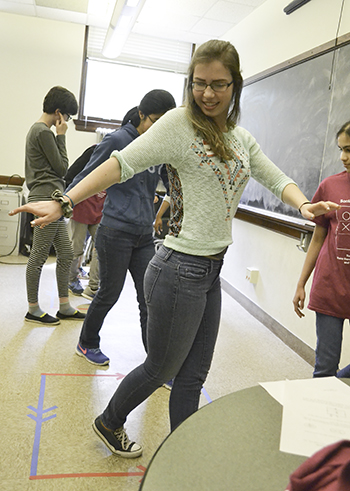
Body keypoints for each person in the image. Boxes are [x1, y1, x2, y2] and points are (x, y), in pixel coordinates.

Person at [10, 40, 339, 457]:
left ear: (235, 85)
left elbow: (275, 177)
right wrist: (65, 202)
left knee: (194, 372)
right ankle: (110, 421)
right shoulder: (178, 125)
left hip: (210, 269)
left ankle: (183, 448)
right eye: (199, 83)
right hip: (178, 267)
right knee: (161, 366)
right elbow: (120, 163)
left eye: (219, 84)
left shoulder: (240, 138)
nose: (208, 93)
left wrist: (304, 204)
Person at [66, 90, 176, 365]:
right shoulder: (117, 140)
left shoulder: (157, 145)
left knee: (149, 298)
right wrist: (62, 203)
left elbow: (172, 180)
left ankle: (155, 362)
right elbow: (85, 174)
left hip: (143, 235)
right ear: (141, 115)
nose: (160, 128)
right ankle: (87, 343)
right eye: (155, 120)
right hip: (114, 232)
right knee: (108, 293)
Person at [293, 121, 350, 378]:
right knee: (325, 368)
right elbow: (318, 237)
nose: (343, 157)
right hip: (330, 286)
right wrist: (301, 283)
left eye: (349, 150)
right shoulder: (330, 186)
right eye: (341, 149)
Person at [24, 86, 85, 325]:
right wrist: (62, 135)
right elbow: (62, 169)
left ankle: (64, 306)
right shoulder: (44, 132)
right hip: (45, 199)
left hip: (52, 198)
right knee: (39, 256)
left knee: (67, 253)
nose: (67, 121)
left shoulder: (38, 130)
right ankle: (32, 308)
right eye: (68, 116)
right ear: (59, 113)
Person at [65, 145, 106, 299]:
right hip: (82, 207)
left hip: (101, 208)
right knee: (76, 247)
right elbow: (70, 175)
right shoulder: (94, 151)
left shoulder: (119, 156)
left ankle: (94, 286)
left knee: (101, 248)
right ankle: (71, 280)